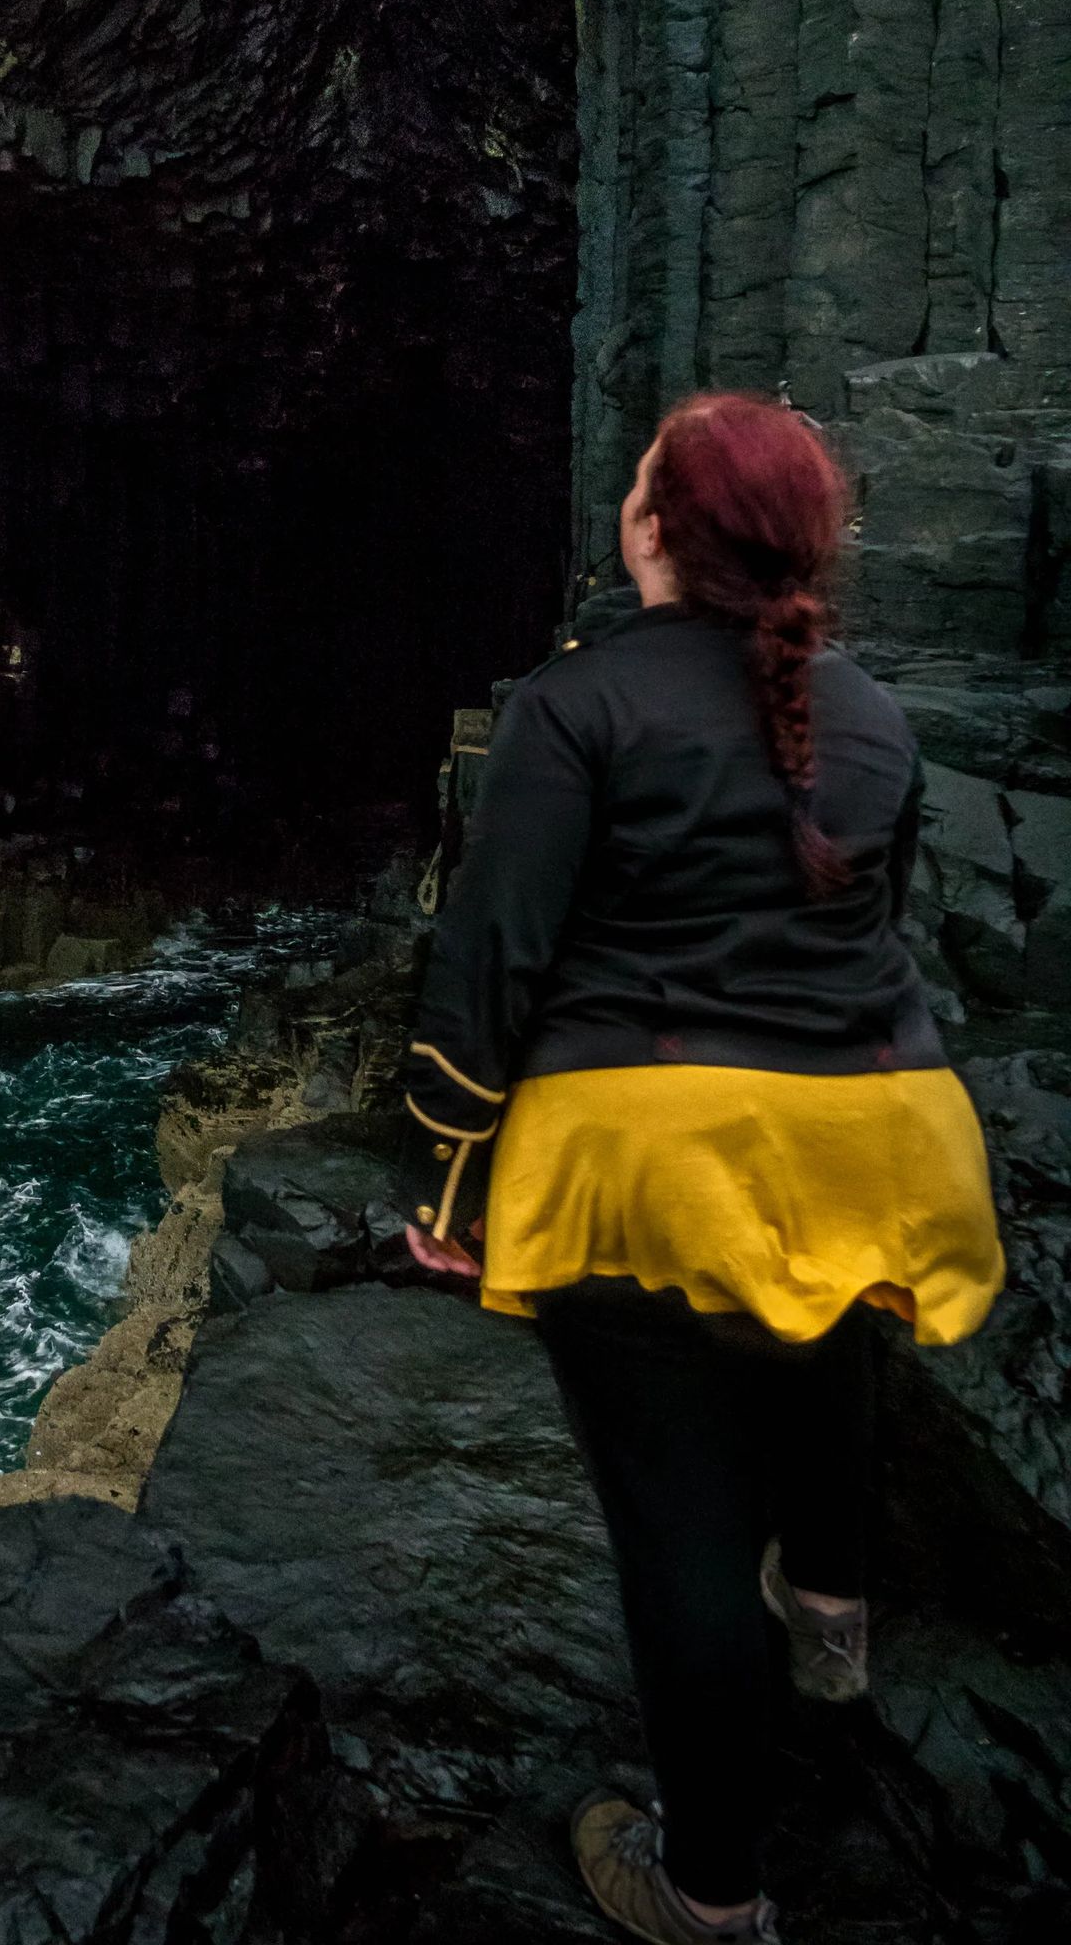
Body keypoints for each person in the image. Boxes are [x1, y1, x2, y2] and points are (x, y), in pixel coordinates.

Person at [396, 391, 1005, 1945]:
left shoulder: (574, 704)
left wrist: (450, 1180)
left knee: (677, 1528)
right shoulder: (871, 711)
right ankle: (834, 1615)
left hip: (652, 1149)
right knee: (824, 1336)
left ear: (654, 527)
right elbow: (874, 930)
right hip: (884, 1129)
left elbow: (492, 958)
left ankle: (710, 1895)